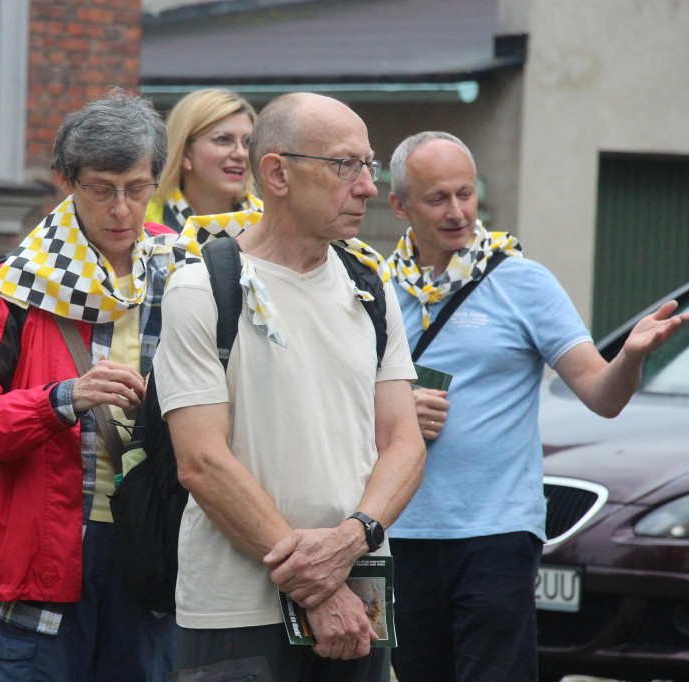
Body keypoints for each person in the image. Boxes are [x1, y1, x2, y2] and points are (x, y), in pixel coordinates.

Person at [384, 131, 689, 681]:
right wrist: (392, 410)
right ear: (399, 205)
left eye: (466, 194)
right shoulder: (378, 290)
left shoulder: (522, 283)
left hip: (498, 533)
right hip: (401, 532)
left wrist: (630, 357)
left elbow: (601, 395)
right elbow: (338, 403)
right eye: (437, 199)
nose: (458, 212)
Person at [152, 92, 426, 681]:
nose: (367, 187)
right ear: (277, 172)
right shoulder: (202, 288)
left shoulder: (370, 285)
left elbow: (404, 442)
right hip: (236, 612)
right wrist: (316, 586)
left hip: (360, 602)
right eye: (344, 165)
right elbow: (201, 461)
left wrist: (353, 542)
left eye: (368, 165)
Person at [0, 90, 178, 681]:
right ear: (67, 181)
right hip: (40, 551)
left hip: (153, 544)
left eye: (137, 188)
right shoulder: (10, 286)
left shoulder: (184, 272)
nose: (122, 209)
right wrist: (61, 400)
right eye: (101, 188)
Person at [146, 88, 262, 232]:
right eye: (223, 139)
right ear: (185, 153)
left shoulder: (274, 224)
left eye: (247, 142)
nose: (240, 153)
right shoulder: (140, 223)